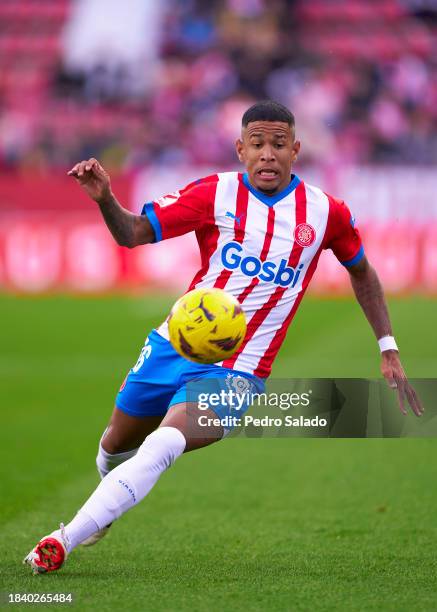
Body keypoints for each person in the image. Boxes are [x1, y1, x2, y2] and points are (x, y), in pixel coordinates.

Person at [24, 100, 423, 574]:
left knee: (164, 444)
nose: (268, 154)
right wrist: (106, 199)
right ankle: (105, 508)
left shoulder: (324, 212)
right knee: (114, 446)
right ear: (240, 149)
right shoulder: (213, 194)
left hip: (239, 368)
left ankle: (63, 539)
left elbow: (363, 272)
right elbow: (133, 233)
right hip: (172, 345)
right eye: (257, 144)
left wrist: (388, 347)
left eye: (279, 144)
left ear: (296, 150)